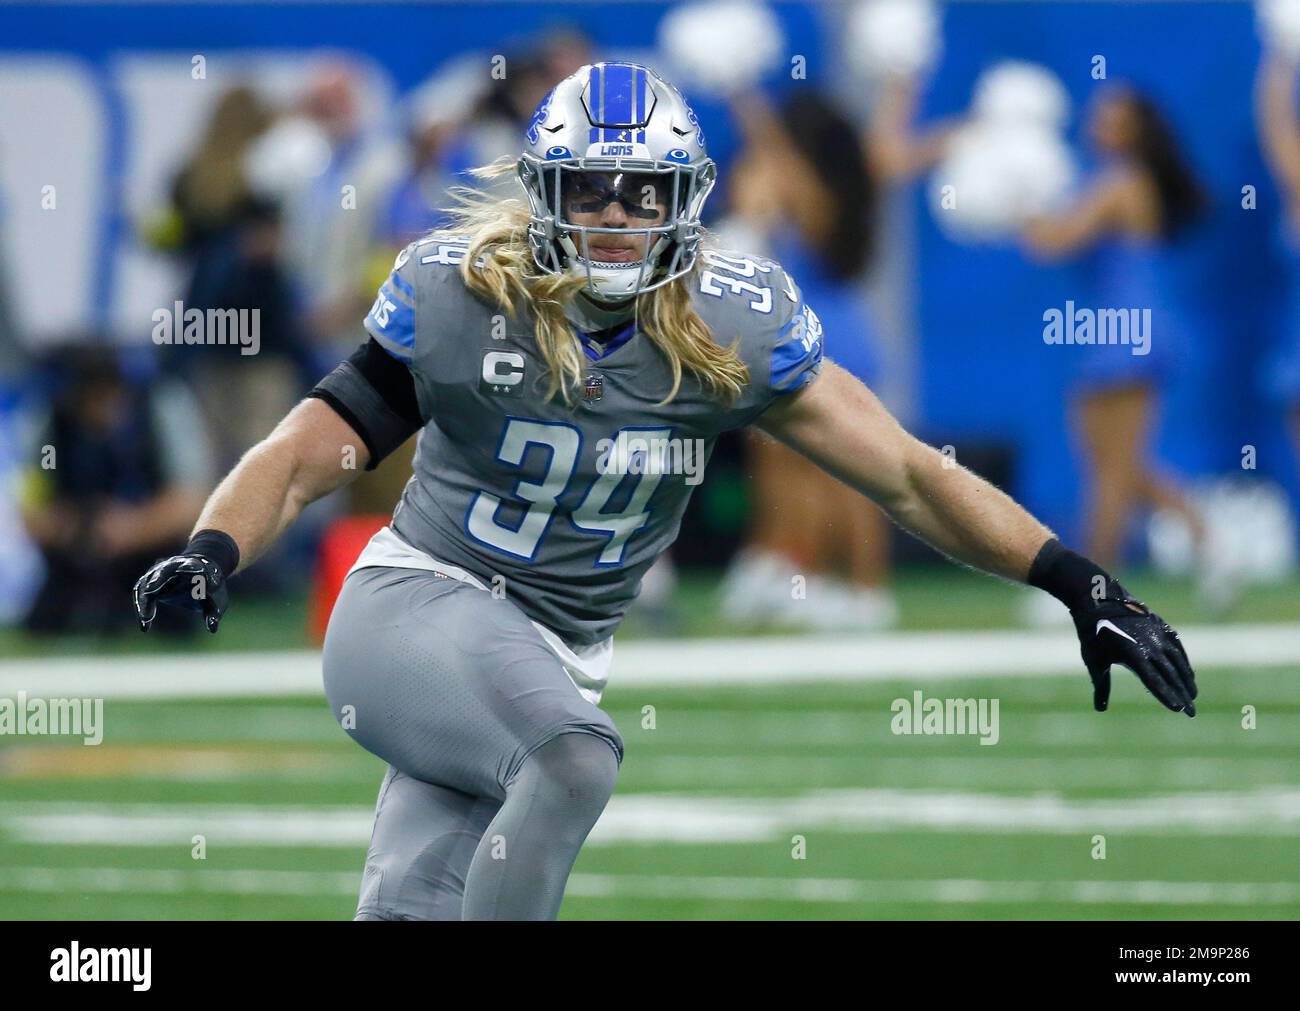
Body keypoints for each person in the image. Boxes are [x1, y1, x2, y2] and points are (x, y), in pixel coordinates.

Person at [134, 62, 1197, 921]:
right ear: (542, 195)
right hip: (414, 608)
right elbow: (303, 449)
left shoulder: (730, 326)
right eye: (588, 189)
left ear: (682, 202)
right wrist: (211, 548)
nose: (611, 215)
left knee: (415, 905)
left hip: (545, 654)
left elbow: (913, 475)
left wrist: (1078, 582)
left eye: (638, 192)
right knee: (570, 759)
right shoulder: (465, 296)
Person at [1021, 85, 1207, 578]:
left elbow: (1056, 242)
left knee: (1111, 470)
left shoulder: (1120, 182)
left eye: (1111, 116)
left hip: (1127, 330)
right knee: (1116, 464)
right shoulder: (1113, 180)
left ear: (1134, 131)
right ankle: (1211, 540)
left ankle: (1094, 582)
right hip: (1112, 328)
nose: (1097, 120)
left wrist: (1015, 201)